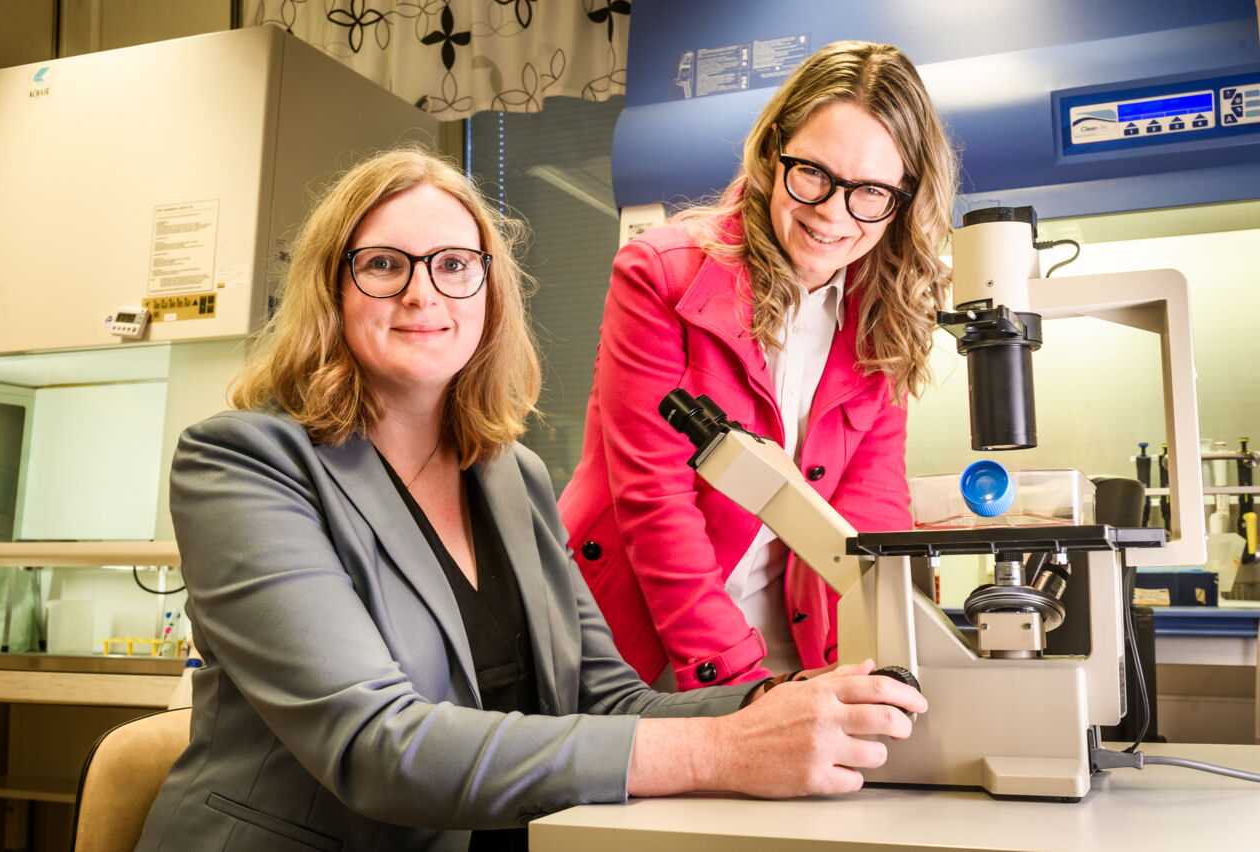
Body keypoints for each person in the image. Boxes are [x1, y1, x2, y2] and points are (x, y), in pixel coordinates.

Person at [135, 147, 927, 851]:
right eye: (382, 265)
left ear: (489, 290)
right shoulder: (244, 463)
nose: (423, 294)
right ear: (329, 288)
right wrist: (725, 752)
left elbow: (607, 699)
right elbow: (376, 746)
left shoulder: (511, 476)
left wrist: (774, 703)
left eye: (454, 265)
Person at [558, 41, 958, 691]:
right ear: (774, 150)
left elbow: (872, 511)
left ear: (903, 198)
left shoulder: (880, 319)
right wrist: (741, 694)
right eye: (813, 174)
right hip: (635, 648)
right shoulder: (660, 275)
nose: (833, 211)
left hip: (784, 653)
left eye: (871, 193)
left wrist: (880, 664)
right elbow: (656, 502)